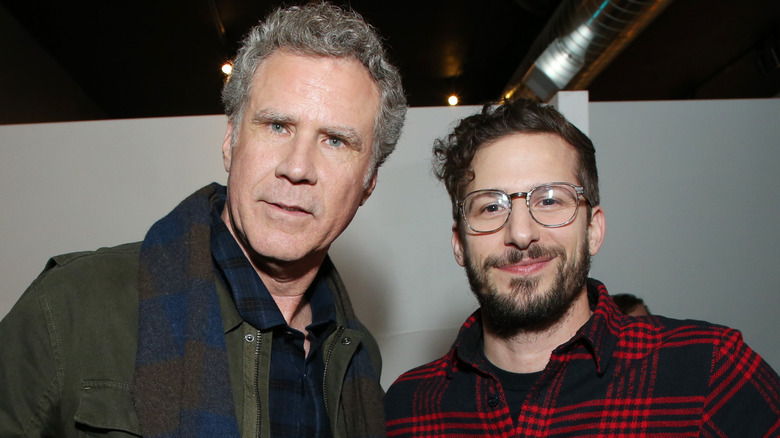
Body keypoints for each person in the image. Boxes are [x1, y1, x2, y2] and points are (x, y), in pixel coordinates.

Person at [0, 3, 406, 437]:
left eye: (336, 140)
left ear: (368, 182)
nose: (297, 166)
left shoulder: (356, 356)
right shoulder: (71, 307)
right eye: (276, 126)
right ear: (231, 141)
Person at [384, 99, 780, 436]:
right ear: (459, 243)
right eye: (491, 207)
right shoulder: (406, 409)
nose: (521, 233)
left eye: (551, 200)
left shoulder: (709, 372)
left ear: (593, 229)